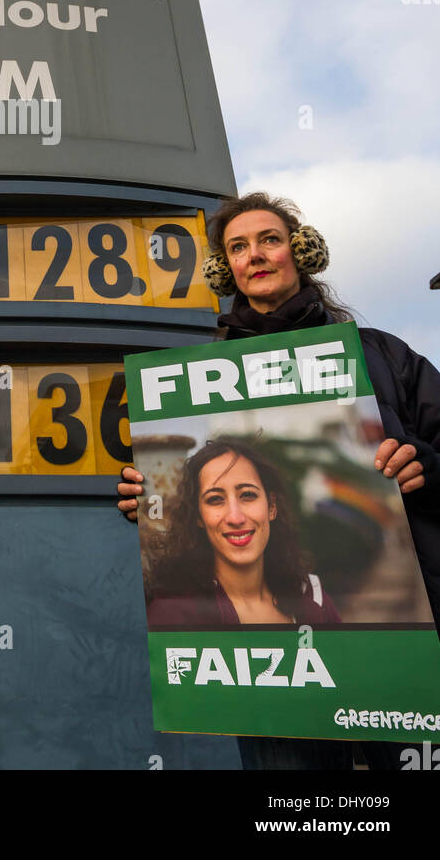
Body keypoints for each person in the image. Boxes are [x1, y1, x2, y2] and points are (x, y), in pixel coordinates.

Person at [118, 190, 440, 769]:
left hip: (411, 650)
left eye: (270, 239)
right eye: (238, 247)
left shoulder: (385, 357)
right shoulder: (192, 382)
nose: (256, 255)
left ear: (303, 251)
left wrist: (427, 466)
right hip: (269, 679)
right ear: (227, 268)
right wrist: (148, 500)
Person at [144, 436, 341, 628]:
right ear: (198, 517)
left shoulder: (313, 599)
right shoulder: (172, 614)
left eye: (247, 495)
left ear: (271, 506)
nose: (235, 518)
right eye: (215, 499)